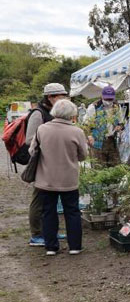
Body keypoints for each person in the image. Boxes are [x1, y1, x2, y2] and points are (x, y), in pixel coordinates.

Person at [29, 99, 88, 256]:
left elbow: (32, 150)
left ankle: (51, 247)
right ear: (72, 114)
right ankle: (75, 246)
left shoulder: (42, 129)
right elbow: (83, 156)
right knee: (72, 212)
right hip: (69, 179)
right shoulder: (77, 132)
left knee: (48, 212)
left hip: (46, 179)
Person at [26, 83, 68, 247]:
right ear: (50, 97)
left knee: (51, 199)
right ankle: (36, 234)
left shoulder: (53, 112)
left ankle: (50, 230)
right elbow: (30, 140)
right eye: (60, 96)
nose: (63, 99)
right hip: (41, 163)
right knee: (39, 198)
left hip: (53, 163)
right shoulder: (38, 113)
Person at [84, 86, 123, 167]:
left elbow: (121, 122)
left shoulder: (116, 106)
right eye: (107, 99)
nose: (108, 101)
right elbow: (86, 125)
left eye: (110, 99)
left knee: (115, 167)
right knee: (99, 167)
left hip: (112, 140)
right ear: (102, 96)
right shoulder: (94, 107)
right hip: (97, 141)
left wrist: (120, 126)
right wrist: (89, 136)